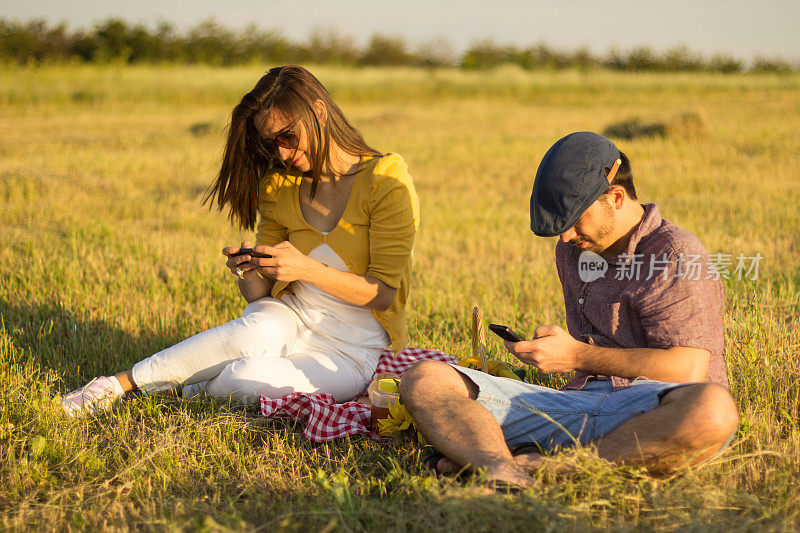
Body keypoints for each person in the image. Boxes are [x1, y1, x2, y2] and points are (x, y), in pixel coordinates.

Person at [63, 65, 419, 415]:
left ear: (319, 112)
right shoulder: (280, 188)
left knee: (244, 377)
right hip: (287, 317)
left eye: (287, 136)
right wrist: (249, 272)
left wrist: (306, 268)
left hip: (349, 352)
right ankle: (115, 386)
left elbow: (382, 293)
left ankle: (192, 388)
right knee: (259, 330)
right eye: (271, 143)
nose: (280, 153)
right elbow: (259, 296)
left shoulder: (384, 181)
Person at [400, 132, 738, 487]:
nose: (565, 237)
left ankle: (552, 466)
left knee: (714, 410)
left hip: (651, 412)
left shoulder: (676, 254)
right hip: (574, 406)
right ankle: (501, 466)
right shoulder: (574, 249)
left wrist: (576, 355)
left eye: (576, 220)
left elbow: (688, 369)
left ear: (616, 197)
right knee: (424, 378)